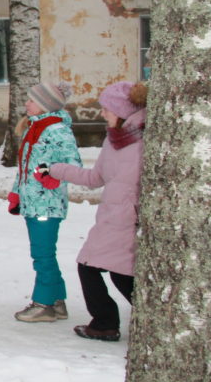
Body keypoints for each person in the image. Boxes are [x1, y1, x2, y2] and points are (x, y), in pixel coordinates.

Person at [44, 81, 148, 341]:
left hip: (127, 218)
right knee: (119, 273)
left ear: (122, 111)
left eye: (106, 109)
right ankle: (145, 320)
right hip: (112, 218)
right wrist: (56, 169)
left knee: (91, 267)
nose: (102, 114)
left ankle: (105, 324)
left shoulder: (145, 142)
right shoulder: (115, 140)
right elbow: (95, 178)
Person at [9, 81, 82, 323]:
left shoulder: (57, 130)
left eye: (31, 100)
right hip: (33, 201)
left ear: (44, 104)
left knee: (42, 255)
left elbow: (73, 165)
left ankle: (43, 304)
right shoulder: (35, 127)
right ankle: (57, 301)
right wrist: (16, 192)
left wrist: (49, 172)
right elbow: (26, 167)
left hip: (47, 203)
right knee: (44, 253)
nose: (26, 104)